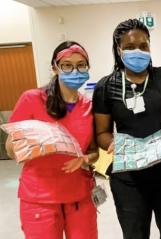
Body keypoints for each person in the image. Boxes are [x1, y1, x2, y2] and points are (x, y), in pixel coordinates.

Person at [93, 19, 161, 239]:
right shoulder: (106, 87)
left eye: (143, 45)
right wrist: (118, 145)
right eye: (129, 47)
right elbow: (101, 133)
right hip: (128, 180)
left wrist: (158, 142)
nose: (137, 51)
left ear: (149, 46)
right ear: (118, 50)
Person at [5, 41, 99, 239]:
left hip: (80, 196)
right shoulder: (32, 99)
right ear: (54, 68)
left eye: (81, 65)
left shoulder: (89, 106)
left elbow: (93, 151)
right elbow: (11, 149)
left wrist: (85, 160)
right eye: (67, 65)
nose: (75, 70)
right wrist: (35, 144)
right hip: (40, 198)